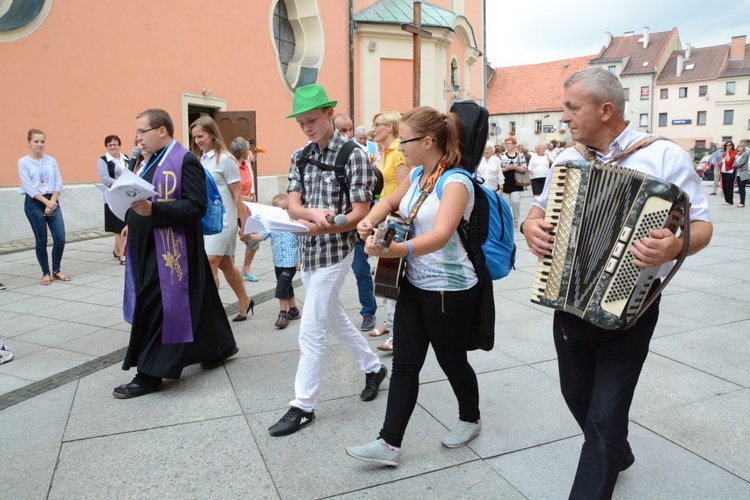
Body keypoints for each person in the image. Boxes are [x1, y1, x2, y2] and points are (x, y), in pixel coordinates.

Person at [521, 68, 712, 499]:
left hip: (633, 308)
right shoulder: (569, 160)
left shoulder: (663, 156)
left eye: (571, 108)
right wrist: (529, 227)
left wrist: (673, 246)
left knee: (606, 415)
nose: (563, 118)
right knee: (576, 395)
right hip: (568, 301)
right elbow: (537, 210)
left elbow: (702, 225)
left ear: (605, 110)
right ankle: (615, 452)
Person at [346, 106, 483, 466]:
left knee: (452, 360)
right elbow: (391, 200)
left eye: (404, 139)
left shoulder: (455, 181)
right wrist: (370, 220)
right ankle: (389, 444)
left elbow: (439, 235)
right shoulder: (419, 173)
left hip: (449, 288)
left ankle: (471, 418)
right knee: (406, 363)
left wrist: (395, 249)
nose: (399, 146)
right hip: (414, 281)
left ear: (427, 140)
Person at [268, 84, 386, 437]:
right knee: (333, 318)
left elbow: (361, 214)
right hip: (310, 250)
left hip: (336, 251)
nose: (307, 127)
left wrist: (318, 225)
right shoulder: (300, 154)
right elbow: (292, 205)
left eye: (312, 120)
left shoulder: (353, 155)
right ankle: (373, 367)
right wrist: (308, 215)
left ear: (329, 114)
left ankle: (303, 406)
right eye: (301, 122)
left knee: (311, 328)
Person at [116, 108, 239, 399]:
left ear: (161, 131)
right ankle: (220, 346)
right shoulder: (147, 162)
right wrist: (131, 223)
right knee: (202, 297)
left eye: (142, 131)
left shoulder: (184, 161)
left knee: (159, 306)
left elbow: (197, 206)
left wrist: (153, 211)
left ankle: (150, 374)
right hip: (149, 245)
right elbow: (140, 200)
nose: (138, 138)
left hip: (173, 251)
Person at [190, 117, 254, 322]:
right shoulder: (200, 160)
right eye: (194, 137)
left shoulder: (226, 160)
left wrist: (244, 225)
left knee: (210, 262)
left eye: (200, 136)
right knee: (226, 264)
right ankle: (245, 301)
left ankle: (211, 314)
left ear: (212, 133)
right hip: (207, 221)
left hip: (224, 221)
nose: (197, 140)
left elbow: (237, 196)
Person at [369, 110, 412, 351]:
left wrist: (389, 224)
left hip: (395, 219)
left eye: (378, 124)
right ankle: (388, 323)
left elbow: (403, 194)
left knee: (391, 275)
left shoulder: (399, 151)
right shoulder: (383, 151)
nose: (373, 129)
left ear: (391, 127)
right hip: (384, 216)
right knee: (382, 275)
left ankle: (397, 333)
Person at [333, 114, 378, 332]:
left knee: (361, 270)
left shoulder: (357, 153)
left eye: (349, 129)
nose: (348, 135)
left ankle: (368, 312)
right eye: (342, 130)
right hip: (334, 226)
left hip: (356, 224)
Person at [18, 129, 71, 286]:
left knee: (60, 238)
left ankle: (56, 269)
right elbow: (29, 187)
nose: (39, 144)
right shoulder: (23, 162)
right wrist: (46, 203)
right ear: (29, 143)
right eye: (36, 141)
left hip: (52, 200)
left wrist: (52, 202)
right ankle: (46, 273)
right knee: (41, 239)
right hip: (34, 203)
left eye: (42, 141)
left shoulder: (51, 161)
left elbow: (58, 183)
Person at [242, 194, 301, 329]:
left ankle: (283, 314)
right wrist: (249, 236)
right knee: (287, 286)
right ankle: (294, 310)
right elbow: (261, 236)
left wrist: (300, 260)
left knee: (282, 285)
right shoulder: (272, 226)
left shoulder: (295, 226)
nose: (285, 212)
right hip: (278, 263)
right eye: (281, 209)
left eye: (287, 208)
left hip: (290, 263)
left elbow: (303, 244)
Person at [229, 137, 261, 282]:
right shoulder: (231, 166)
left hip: (247, 209)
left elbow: (250, 181)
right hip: (231, 208)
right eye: (247, 149)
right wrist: (245, 198)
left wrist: (252, 195)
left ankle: (246, 268)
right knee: (230, 240)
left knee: (253, 238)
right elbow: (229, 190)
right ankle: (232, 269)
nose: (249, 151)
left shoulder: (245, 164)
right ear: (242, 152)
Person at [97, 135, 130, 264]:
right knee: (117, 226)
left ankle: (116, 250)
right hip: (112, 196)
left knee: (124, 223)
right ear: (106, 147)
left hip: (125, 197)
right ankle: (122, 254)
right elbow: (105, 178)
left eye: (115, 144)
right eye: (110, 145)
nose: (112, 147)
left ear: (119, 146)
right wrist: (120, 184)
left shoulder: (126, 158)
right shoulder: (103, 160)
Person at [499, 135, 527, 227]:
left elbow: (524, 168)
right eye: (506, 143)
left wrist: (515, 167)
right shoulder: (502, 155)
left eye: (509, 143)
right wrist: (506, 168)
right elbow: (498, 169)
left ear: (514, 144)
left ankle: (516, 218)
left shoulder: (520, 155)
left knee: (515, 201)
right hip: (505, 180)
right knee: (506, 203)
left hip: (516, 181)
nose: (507, 145)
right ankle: (508, 220)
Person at [719, 141, 736, 206]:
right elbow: (722, 162)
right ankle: (726, 200)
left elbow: (729, 161)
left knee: (729, 186)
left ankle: (730, 200)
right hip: (724, 171)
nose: (728, 146)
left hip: (730, 171)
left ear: (732, 146)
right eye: (727, 145)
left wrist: (728, 153)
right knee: (724, 186)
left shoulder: (734, 153)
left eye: (730, 145)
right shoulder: (724, 153)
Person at [734, 142, 748, 208]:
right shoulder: (737, 155)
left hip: (743, 173)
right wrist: (736, 165)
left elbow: (741, 163)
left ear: (744, 148)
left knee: (742, 188)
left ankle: (742, 203)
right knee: (740, 188)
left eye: (741, 147)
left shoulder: (745, 154)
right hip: (738, 174)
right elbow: (734, 164)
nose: (740, 148)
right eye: (738, 147)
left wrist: (736, 165)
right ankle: (740, 202)